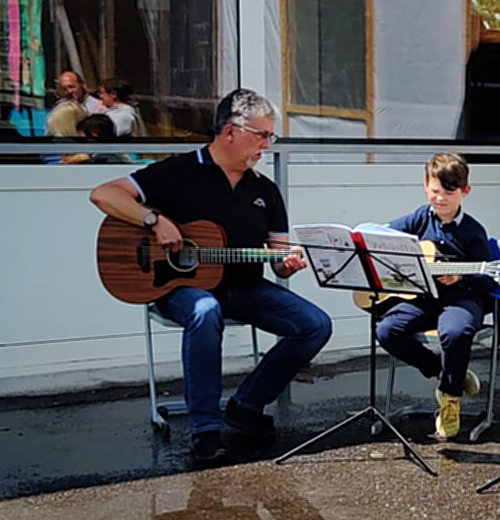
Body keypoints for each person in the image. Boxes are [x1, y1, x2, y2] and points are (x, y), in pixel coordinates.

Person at [89, 88, 333, 465]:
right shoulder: (180, 172)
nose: (267, 145)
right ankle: (205, 429)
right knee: (205, 311)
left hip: (244, 286)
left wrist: (287, 264)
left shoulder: (265, 190)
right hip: (179, 287)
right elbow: (103, 194)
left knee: (315, 324)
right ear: (230, 131)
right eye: (262, 135)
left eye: (271, 136)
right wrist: (154, 220)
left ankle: (245, 405)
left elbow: (278, 257)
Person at [375, 153, 493, 440]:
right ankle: (442, 373)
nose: (440, 199)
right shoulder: (418, 218)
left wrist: (461, 276)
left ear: (465, 192)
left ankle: (451, 398)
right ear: (425, 186)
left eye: (448, 192)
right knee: (387, 329)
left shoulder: (473, 232)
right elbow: (378, 234)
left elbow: (487, 275)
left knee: (455, 331)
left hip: (461, 298)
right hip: (423, 298)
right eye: (435, 191)